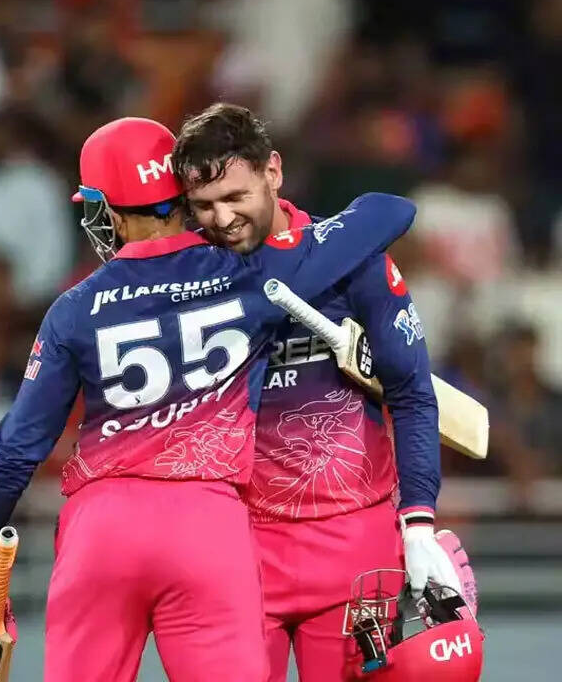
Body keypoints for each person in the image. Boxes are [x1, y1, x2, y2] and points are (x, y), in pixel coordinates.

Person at [0, 116, 417, 681]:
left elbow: (17, 448)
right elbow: (388, 212)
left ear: (108, 211)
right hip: (208, 523)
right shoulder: (252, 271)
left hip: (101, 527)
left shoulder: (75, 307)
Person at [171, 103, 458, 681]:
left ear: (273, 171)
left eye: (236, 196)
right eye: (203, 206)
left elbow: (411, 393)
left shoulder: (355, 260)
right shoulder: (188, 279)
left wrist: (419, 523)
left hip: (355, 547)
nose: (222, 219)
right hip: (238, 548)